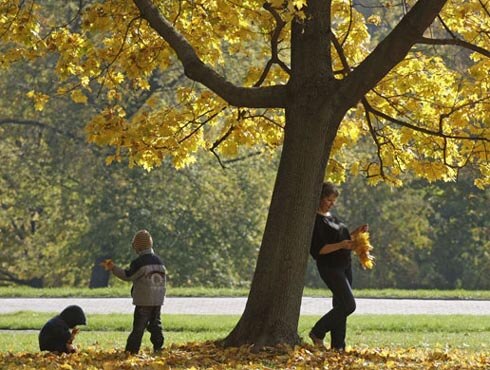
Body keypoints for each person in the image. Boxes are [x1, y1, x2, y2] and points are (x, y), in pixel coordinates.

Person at [308, 182, 368, 351]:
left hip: (345, 266)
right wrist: (341, 245)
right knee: (349, 305)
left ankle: (338, 347)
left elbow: (343, 239)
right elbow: (320, 249)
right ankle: (317, 332)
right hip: (330, 267)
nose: (332, 203)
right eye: (329, 199)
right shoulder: (316, 221)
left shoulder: (331, 217)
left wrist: (356, 233)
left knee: (340, 306)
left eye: (334, 200)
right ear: (320, 198)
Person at [104, 229, 167, 354]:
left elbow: (127, 276)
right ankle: (158, 347)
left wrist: (113, 268)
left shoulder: (139, 263)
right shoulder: (159, 261)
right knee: (155, 325)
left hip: (144, 300)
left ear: (138, 247)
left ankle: (131, 350)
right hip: (158, 300)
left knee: (139, 327)